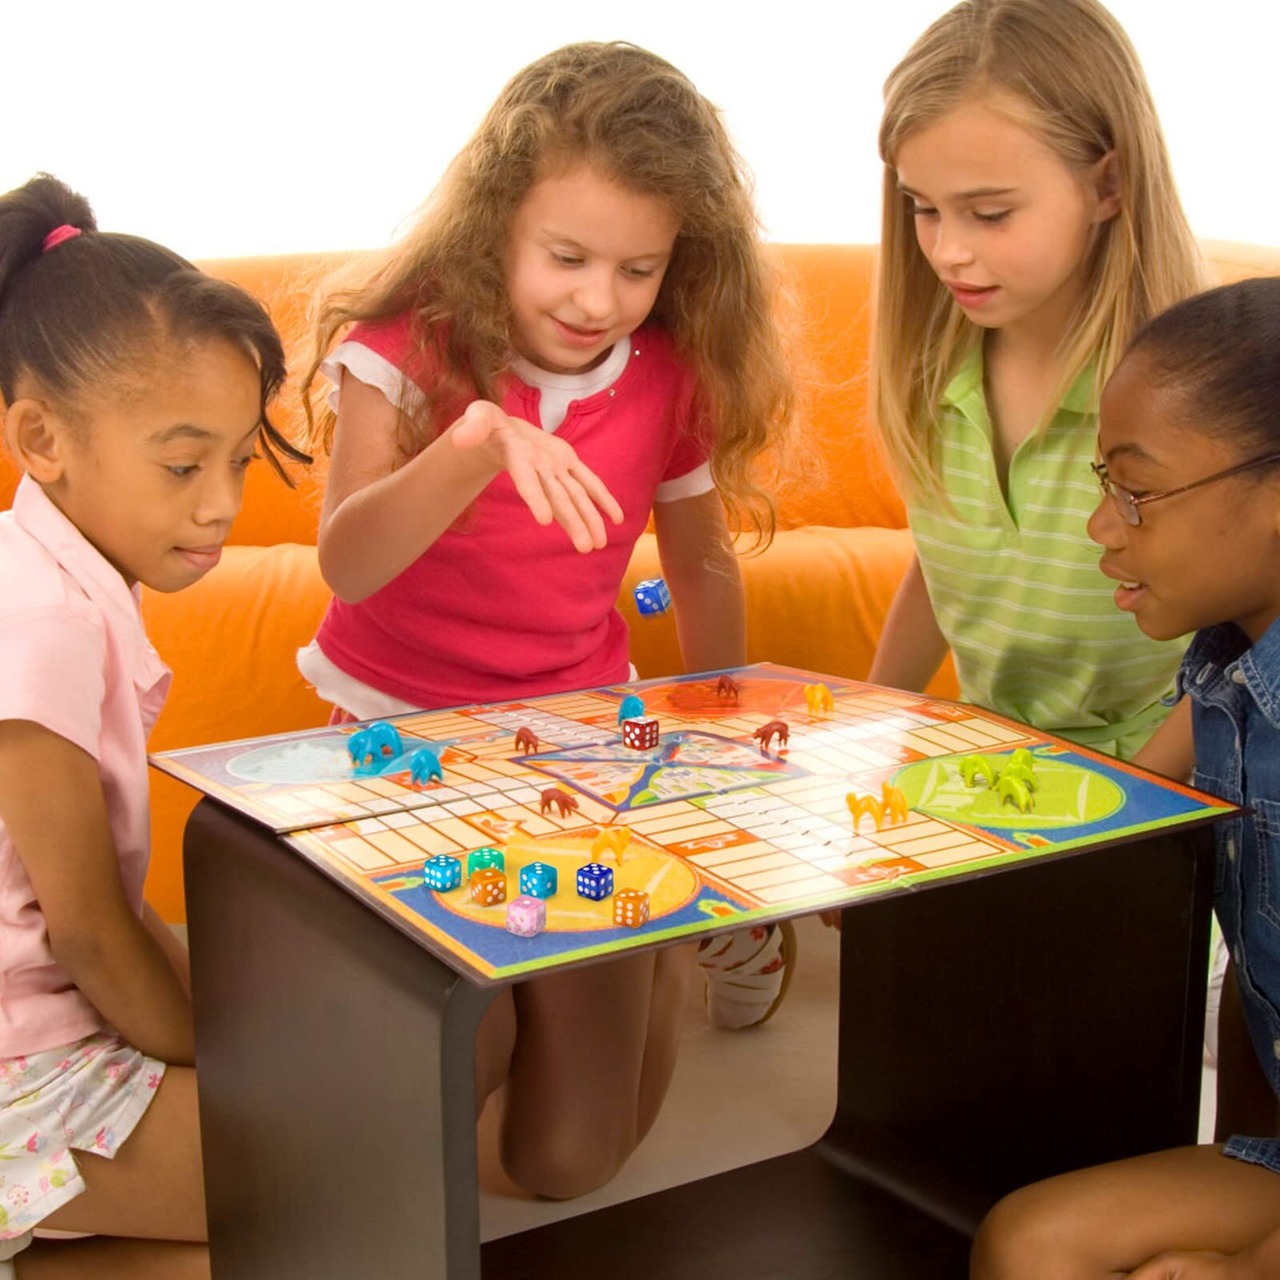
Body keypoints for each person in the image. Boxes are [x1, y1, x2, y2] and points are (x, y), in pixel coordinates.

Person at [295, 42, 795, 1197]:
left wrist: (715, 748)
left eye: (637, 268)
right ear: (496, 224)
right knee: (431, 1099)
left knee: (565, 1161)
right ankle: (541, 982)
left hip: (576, 746)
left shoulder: (666, 369)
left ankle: (673, 939)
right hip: (398, 745)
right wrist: (473, 443)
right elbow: (348, 564)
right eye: (566, 257)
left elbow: (699, 564)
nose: (595, 300)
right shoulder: (404, 347)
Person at [0, 175, 304, 1279]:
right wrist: (213, 1053)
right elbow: (87, 928)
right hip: (19, 1066)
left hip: (45, 1023)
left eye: (238, 460)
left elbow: (114, 913)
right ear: (43, 437)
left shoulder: (67, 579)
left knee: (328, 1157)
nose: (221, 501)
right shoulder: (42, 621)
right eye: (183, 465)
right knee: (321, 1182)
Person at [971, 276, 1280, 1280]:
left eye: (1134, 492)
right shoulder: (1226, 670)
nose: (1101, 528)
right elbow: (1128, 830)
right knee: (1026, 1241)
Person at [867, 0, 1204, 776]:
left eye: (990, 214)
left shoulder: (1191, 391)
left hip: (1161, 788)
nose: (948, 252)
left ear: (1109, 185)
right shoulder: (933, 371)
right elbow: (948, 571)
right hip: (985, 773)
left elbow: (1248, 639)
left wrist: (1136, 798)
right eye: (924, 209)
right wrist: (865, 732)